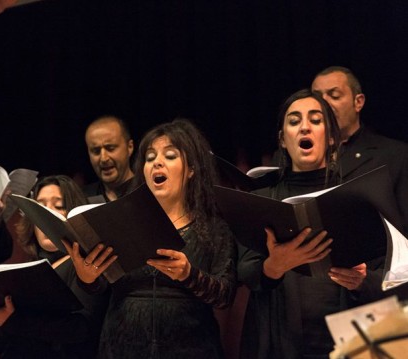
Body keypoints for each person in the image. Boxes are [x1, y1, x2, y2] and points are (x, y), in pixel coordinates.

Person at [67, 118, 237, 358]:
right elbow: (101, 287)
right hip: (122, 346)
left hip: (191, 347)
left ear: (190, 169)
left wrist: (189, 275)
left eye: (170, 156)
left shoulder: (213, 227)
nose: (157, 162)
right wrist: (87, 278)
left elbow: (225, 295)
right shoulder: (120, 223)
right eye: (149, 158)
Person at [238, 89, 386, 358]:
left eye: (316, 121)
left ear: (331, 138)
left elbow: (390, 278)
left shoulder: (356, 200)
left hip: (350, 344)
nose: (304, 127)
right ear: (283, 140)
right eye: (294, 121)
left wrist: (362, 281)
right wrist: (275, 266)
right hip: (279, 342)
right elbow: (245, 272)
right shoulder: (262, 200)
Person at [0, 175, 109, 358]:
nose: (47, 214)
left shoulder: (87, 266)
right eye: (40, 207)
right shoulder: (28, 268)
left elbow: (80, 329)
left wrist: (13, 322)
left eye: (59, 206)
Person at [311, 66, 408, 233]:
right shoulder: (296, 155)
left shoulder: (395, 155)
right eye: (317, 97)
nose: (324, 103)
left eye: (334, 95)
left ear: (358, 102)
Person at [83, 115, 135, 202]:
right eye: (96, 151)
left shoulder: (150, 192)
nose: (103, 158)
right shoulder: (82, 199)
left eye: (110, 148)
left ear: (129, 147)